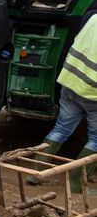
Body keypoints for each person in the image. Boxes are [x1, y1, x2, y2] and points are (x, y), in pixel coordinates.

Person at [28, 12, 97, 193]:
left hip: (70, 83)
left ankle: (35, 173)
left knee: (61, 129)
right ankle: (77, 185)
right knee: (96, 140)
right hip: (93, 93)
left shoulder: (92, 18)